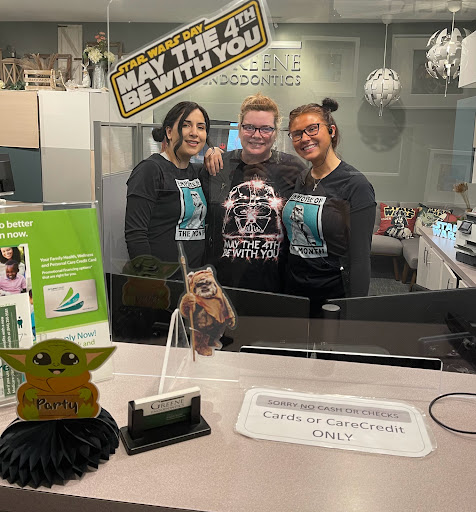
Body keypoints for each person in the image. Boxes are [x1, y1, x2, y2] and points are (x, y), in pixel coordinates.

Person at [201, 93, 307, 293]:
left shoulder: (293, 169)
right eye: (249, 127)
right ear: (239, 129)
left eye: (266, 128)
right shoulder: (219, 166)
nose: (257, 135)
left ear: (275, 132)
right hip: (222, 285)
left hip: (275, 287)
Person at [283, 98, 376, 317]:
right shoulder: (302, 178)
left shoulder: (356, 185)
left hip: (332, 297)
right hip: (294, 292)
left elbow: (360, 259)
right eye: (297, 134)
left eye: (312, 129)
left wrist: (355, 310)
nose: (305, 138)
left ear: (331, 131)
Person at [125, 101, 211, 271]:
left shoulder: (197, 172)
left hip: (193, 279)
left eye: (201, 127)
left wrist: (215, 153)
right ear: (169, 132)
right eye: (186, 125)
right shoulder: (150, 170)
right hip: (162, 280)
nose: (194, 133)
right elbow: (136, 234)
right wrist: (150, 278)